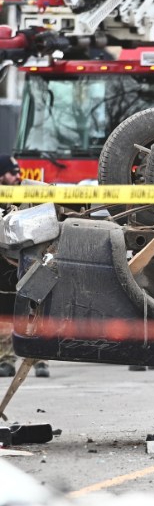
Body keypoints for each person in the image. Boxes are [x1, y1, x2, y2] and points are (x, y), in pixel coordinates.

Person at [0, 155, 50, 378]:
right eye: (11, 172)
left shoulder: (32, 191)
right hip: (4, 267)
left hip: (31, 262)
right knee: (4, 312)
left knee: (33, 310)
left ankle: (39, 359)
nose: (16, 176)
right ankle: (6, 359)